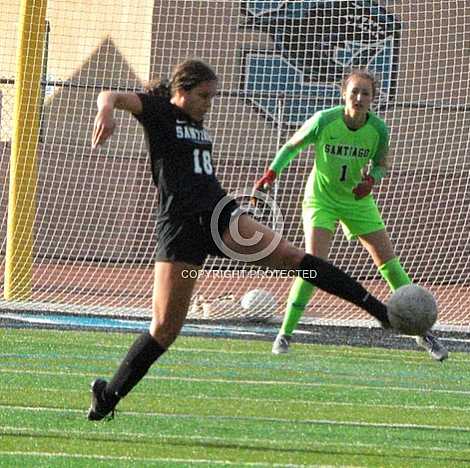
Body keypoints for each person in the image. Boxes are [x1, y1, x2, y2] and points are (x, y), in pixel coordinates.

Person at [87, 59, 396, 421]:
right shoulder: (159, 110)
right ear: (181, 91)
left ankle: (380, 312)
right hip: (182, 230)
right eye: (204, 95)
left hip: (220, 215)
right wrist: (106, 111)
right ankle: (107, 397)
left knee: (296, 259)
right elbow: (109, 95)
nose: (210, 103)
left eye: (213, 96)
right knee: (165, 330)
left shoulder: (195, 120)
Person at [253, 69, 448, 362]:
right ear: (343, 93)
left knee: (389, 264)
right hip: (322, 199)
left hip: (358, 201)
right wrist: (272, 172)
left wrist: (372, 180)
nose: (358, 97)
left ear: (373, 98)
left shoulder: (379, 130)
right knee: (313, 265)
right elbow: (291, 146)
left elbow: (381, 164)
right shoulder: (324, 120)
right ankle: (285, 333)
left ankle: (422, 332)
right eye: (354, 91)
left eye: (365, 93)